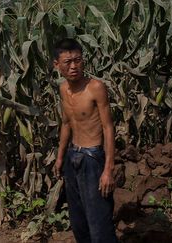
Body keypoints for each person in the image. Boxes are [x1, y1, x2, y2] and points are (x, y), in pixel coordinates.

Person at [53, 38, 117, 243]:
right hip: (73, 157)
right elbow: (66, 123)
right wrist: (60, 157)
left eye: (78, 60)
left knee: (99, 223)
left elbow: (108, 127)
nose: (73, 66)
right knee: (78, 221)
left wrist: (108, 169)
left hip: (93, 158)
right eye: (67, 62)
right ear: (57, 65)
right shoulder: (63, 89)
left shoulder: (95, 87)